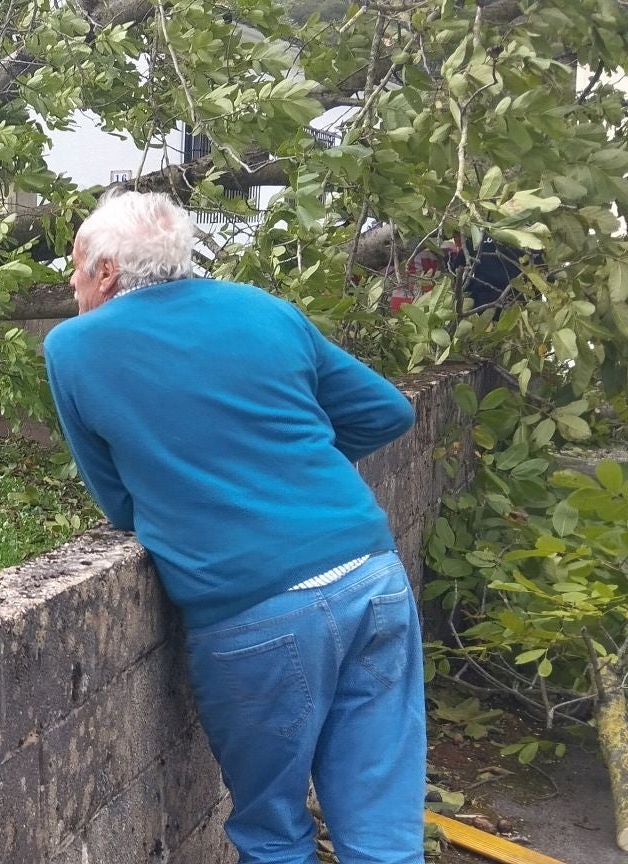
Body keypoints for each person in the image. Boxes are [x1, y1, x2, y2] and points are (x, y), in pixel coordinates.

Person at [43, 193, 422, 864]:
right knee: (383, 825)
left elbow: (122, 506)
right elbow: (387, 411)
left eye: (74, 264)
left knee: (274, 832)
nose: (68, 280)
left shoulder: (75, 346)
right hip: (372, 576)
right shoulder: (264, 308)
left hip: (258, 613)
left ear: (106, 271)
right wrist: (289, 461)